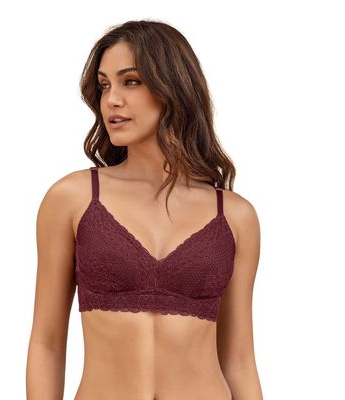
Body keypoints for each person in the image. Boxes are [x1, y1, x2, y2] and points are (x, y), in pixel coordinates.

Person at [26, 19, 263, 400]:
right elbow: (47, 343)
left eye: (131, 81)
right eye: (104, 85)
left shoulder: (235, 217)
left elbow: (239, 360)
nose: (111, 100)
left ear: (174, 87)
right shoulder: (72, 198)